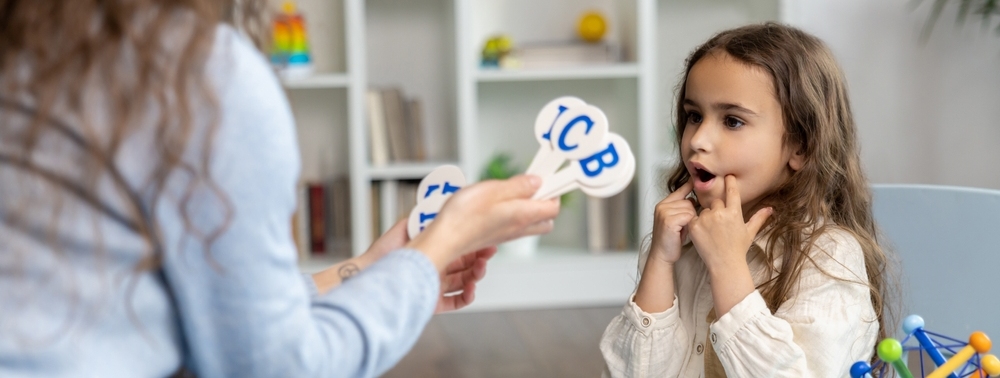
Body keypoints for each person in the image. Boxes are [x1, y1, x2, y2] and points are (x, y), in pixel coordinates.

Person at [0, 1, 559, 377]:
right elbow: (278, 367)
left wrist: (371, 266)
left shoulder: (30, 52)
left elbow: (206, 310)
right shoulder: (205, 73)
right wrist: (443, 240)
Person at [600, 23, 895, 377]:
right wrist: (660, 263)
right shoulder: (680, 243)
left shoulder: (829, 256)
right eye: (694, 116)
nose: (699, 140)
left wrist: (727, 267)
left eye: (733, 121)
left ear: (800, 145)